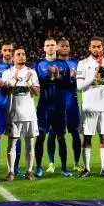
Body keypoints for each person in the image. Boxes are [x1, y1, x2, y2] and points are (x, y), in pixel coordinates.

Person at [76, 36, 104, 177]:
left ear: (103, 47)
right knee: (87, 137)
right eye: (93, 46)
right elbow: (79, 86)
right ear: (89, 48)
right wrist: (93, 78)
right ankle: (86, 169)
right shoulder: (83, 63)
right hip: (89, 107)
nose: (96, 49)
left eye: (99, 46)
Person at [0, 47, 41, 180]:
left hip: (29, 115)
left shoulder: (32, 72)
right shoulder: (7, 73)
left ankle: (29, 171)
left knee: (30, 144)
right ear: (13, 57)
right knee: (12, 144)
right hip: (13, 115)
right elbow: (3, 92)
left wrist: (28, 82)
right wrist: (14, 81)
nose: (21, 56)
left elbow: (37, 92)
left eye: (23, 54)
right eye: (18, 54)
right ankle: (11, 172)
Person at [34, 37, 70, 177]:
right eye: (47, 45)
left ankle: (64, 168)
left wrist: (58, 76)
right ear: (44, 48)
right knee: (41, 136)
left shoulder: (63, 64)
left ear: (56, 47)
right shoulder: (39, 64)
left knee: (61, 137)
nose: (50, 47)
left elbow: (66, 85)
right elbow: (38, 84)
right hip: (44, 106)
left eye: (52, 45)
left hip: (59, 106)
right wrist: (49, 76)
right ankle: (38, 167)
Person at [0, 42, 22, 177]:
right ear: (1, 51)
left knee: (17, 138)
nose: (8, 52)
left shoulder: (19, 68)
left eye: (10, 50)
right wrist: (1, 83)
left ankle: (15, 168)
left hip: (16, 107)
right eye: (5, 50)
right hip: (0, 106)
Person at [57, 38, 83, 172]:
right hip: (58, 104)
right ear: (57, 48)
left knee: (75, 133)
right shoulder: (53, 64)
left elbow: (80, 84)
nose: (65, 48)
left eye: (67, 46)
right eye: (62, 46)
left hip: (72, 103)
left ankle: (76, 163)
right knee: (58, 135)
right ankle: (56, 164)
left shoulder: (76, 63)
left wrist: (75, 78)